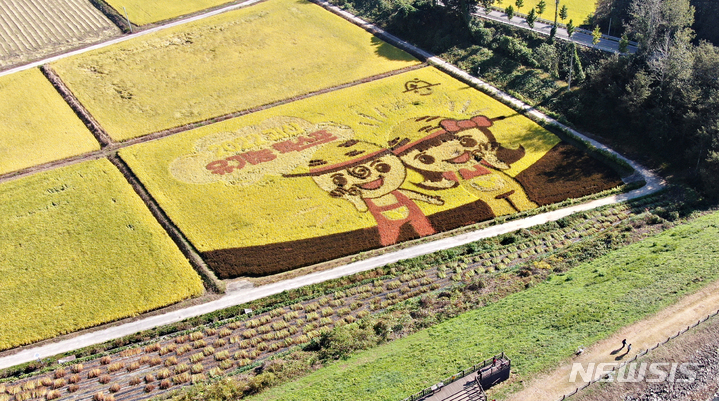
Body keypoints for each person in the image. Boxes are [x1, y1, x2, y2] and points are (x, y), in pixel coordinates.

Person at [288, 140, 443, 246]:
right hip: (388, 221)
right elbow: (362, 208)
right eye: (340, 180)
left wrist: (431, 199)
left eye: (381, 167)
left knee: (424, 228)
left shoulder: (398, 193)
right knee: (389, 238)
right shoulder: (368, 200)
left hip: (413, 214)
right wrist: (354, 198)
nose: (369, 176)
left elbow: (413, 195)